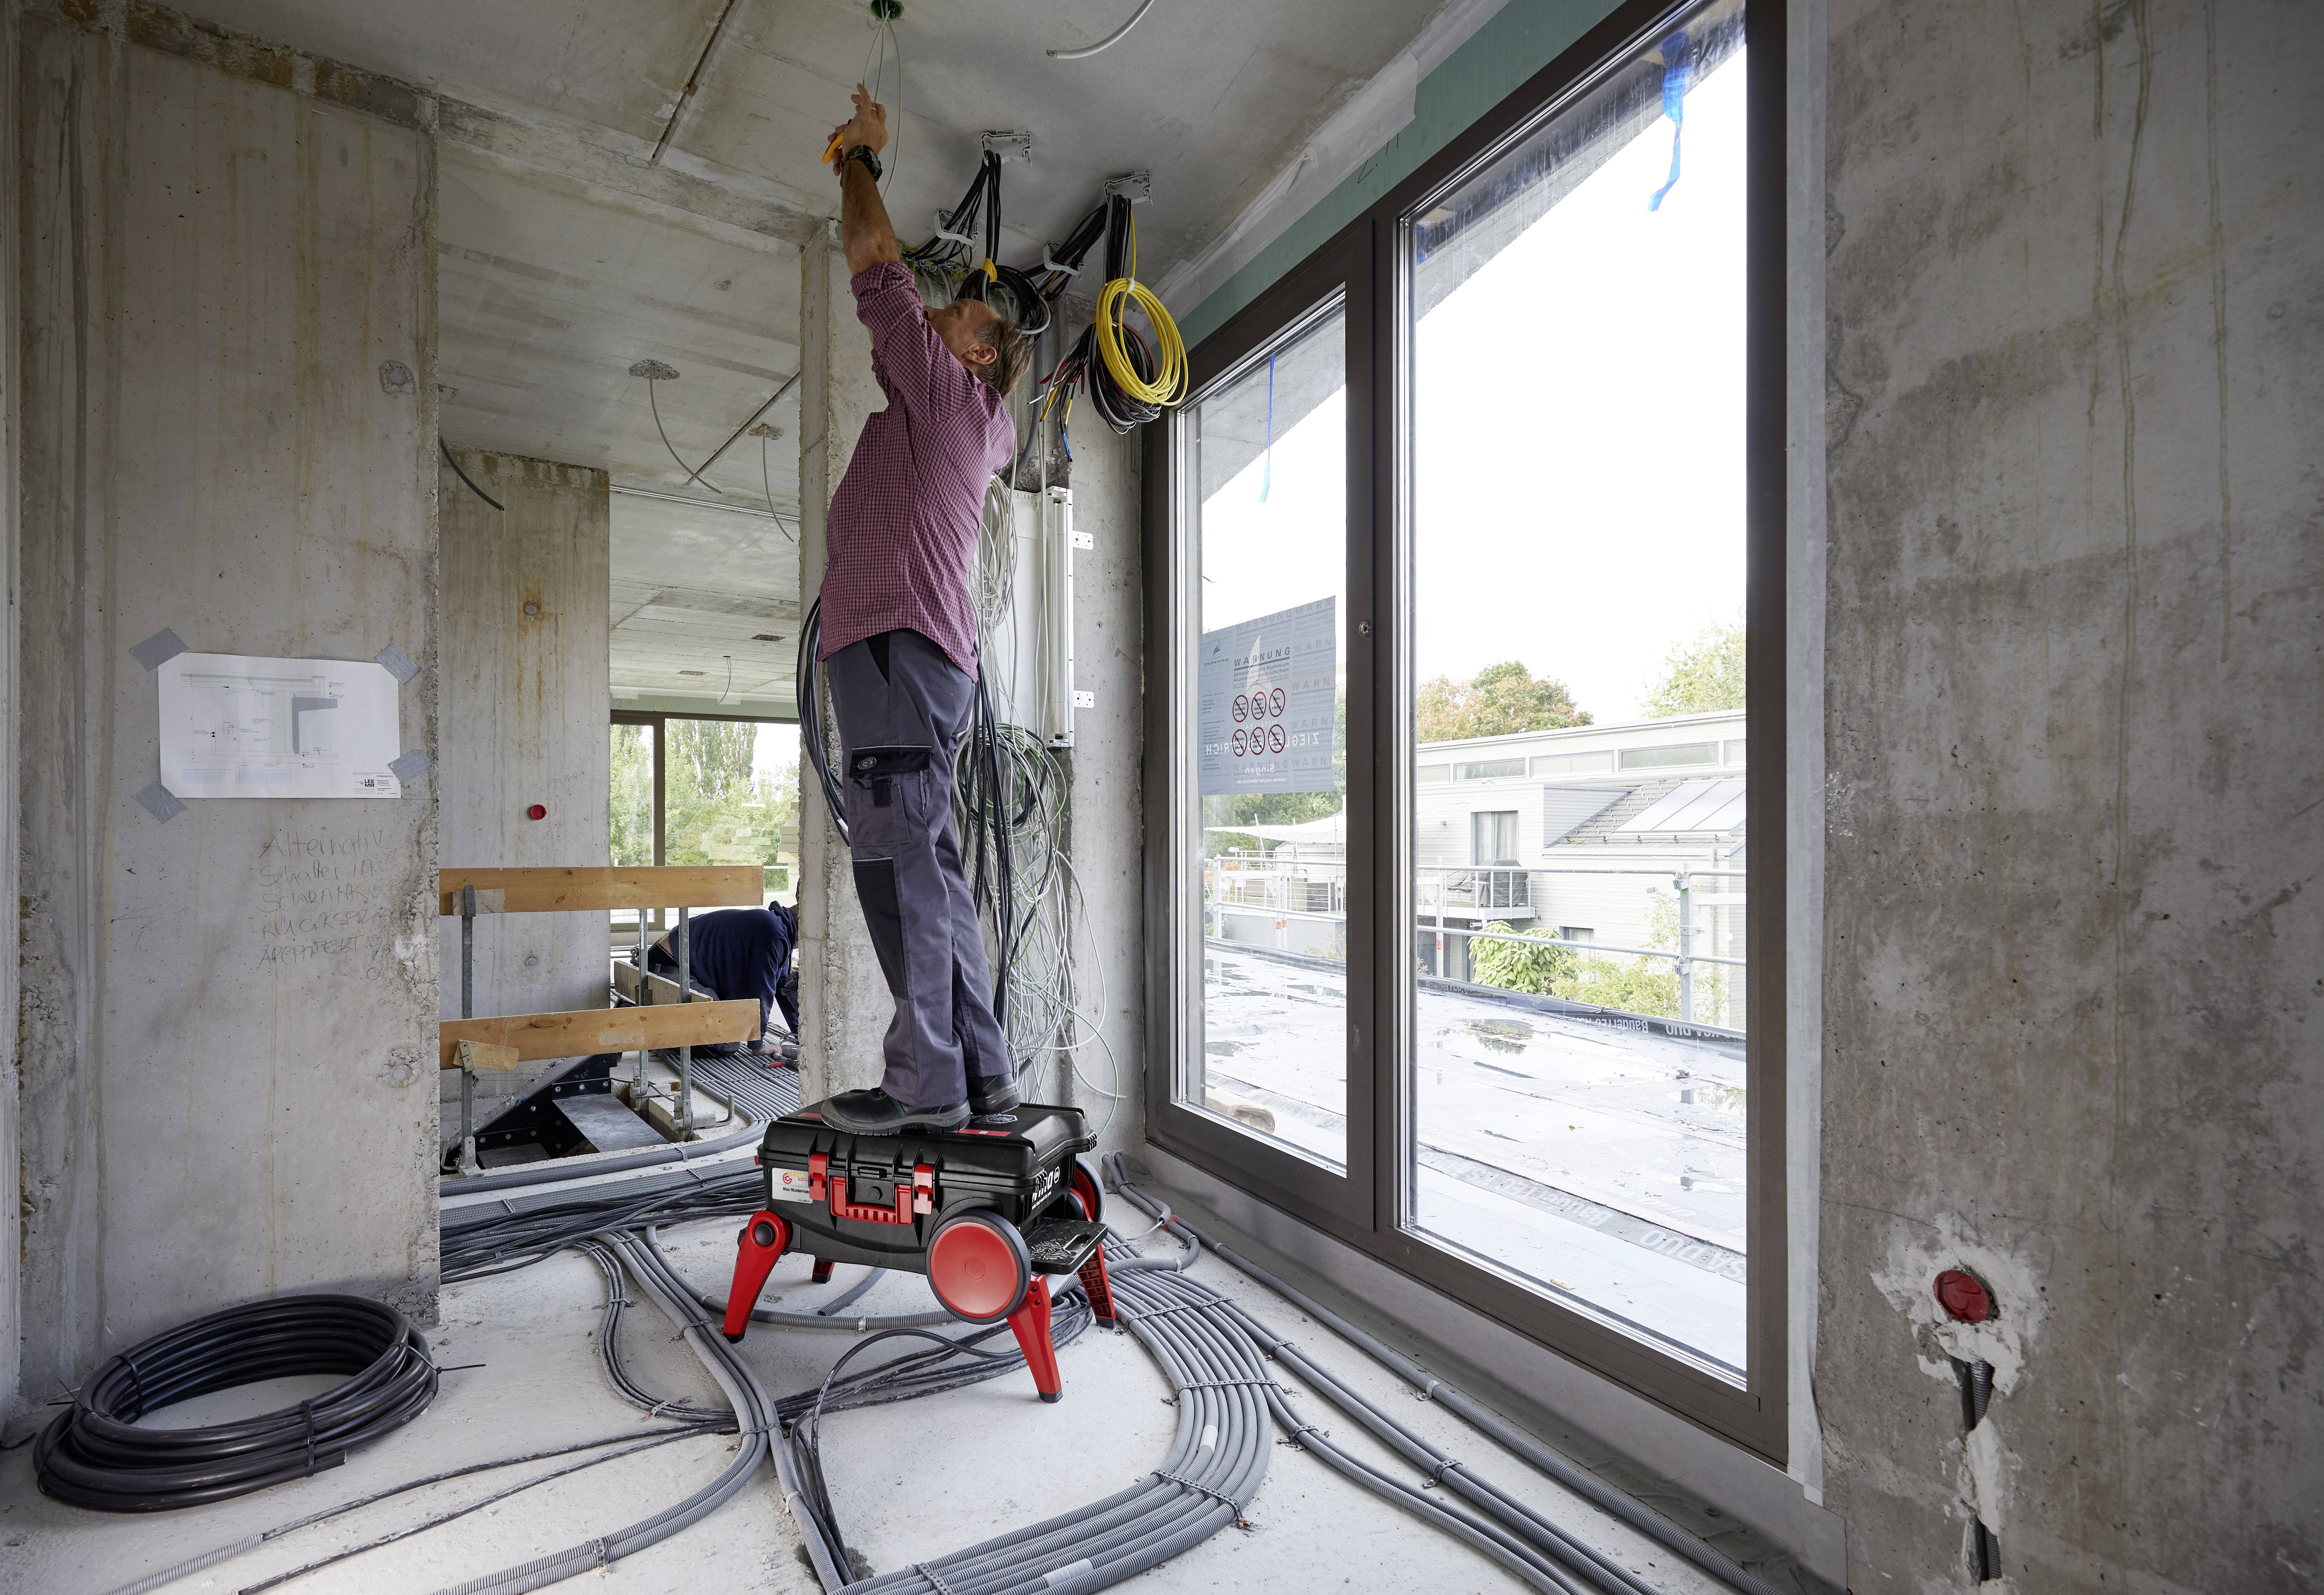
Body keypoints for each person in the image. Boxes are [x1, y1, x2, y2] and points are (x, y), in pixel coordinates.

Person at [815, 83, 1032, 1135]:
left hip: (897, 649)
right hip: (905, 653)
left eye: (961, 317)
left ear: (980, 354)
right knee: (923, 860)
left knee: (908, 863)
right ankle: (978, 1073)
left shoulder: (951, 399)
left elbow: (875, 269)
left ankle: (926, 1082)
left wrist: (859, 157)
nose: (941, 312)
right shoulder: (942, 414)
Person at [649, 901, 800, 1057]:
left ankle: (654, 1020)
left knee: (727, 1025)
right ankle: (646, 1035)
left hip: (681, 966)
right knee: (726, 1042)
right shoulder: (775, 935)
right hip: (668, 969)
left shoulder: (781, 928)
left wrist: (800, 1035)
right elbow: (762, 991)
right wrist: (758, 1045)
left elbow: (782, 987)